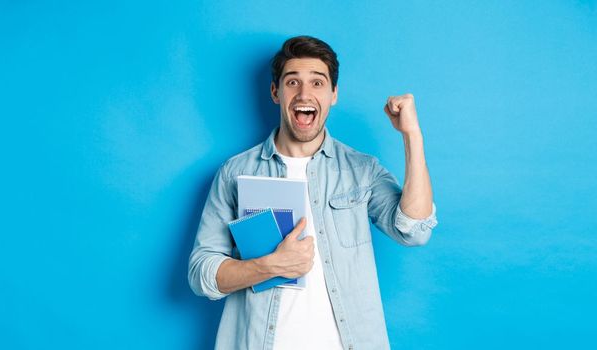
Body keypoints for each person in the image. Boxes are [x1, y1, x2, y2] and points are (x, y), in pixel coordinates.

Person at [187, 35, 438, 350]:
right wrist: (270, 266)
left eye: (318, 83)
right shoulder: (235, 173)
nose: (304, 93)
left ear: (333, 94)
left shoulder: (361, 170)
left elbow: (415, 230)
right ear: (275, 92)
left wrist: (412, 135)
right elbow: (201, 273)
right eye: (293, 82)